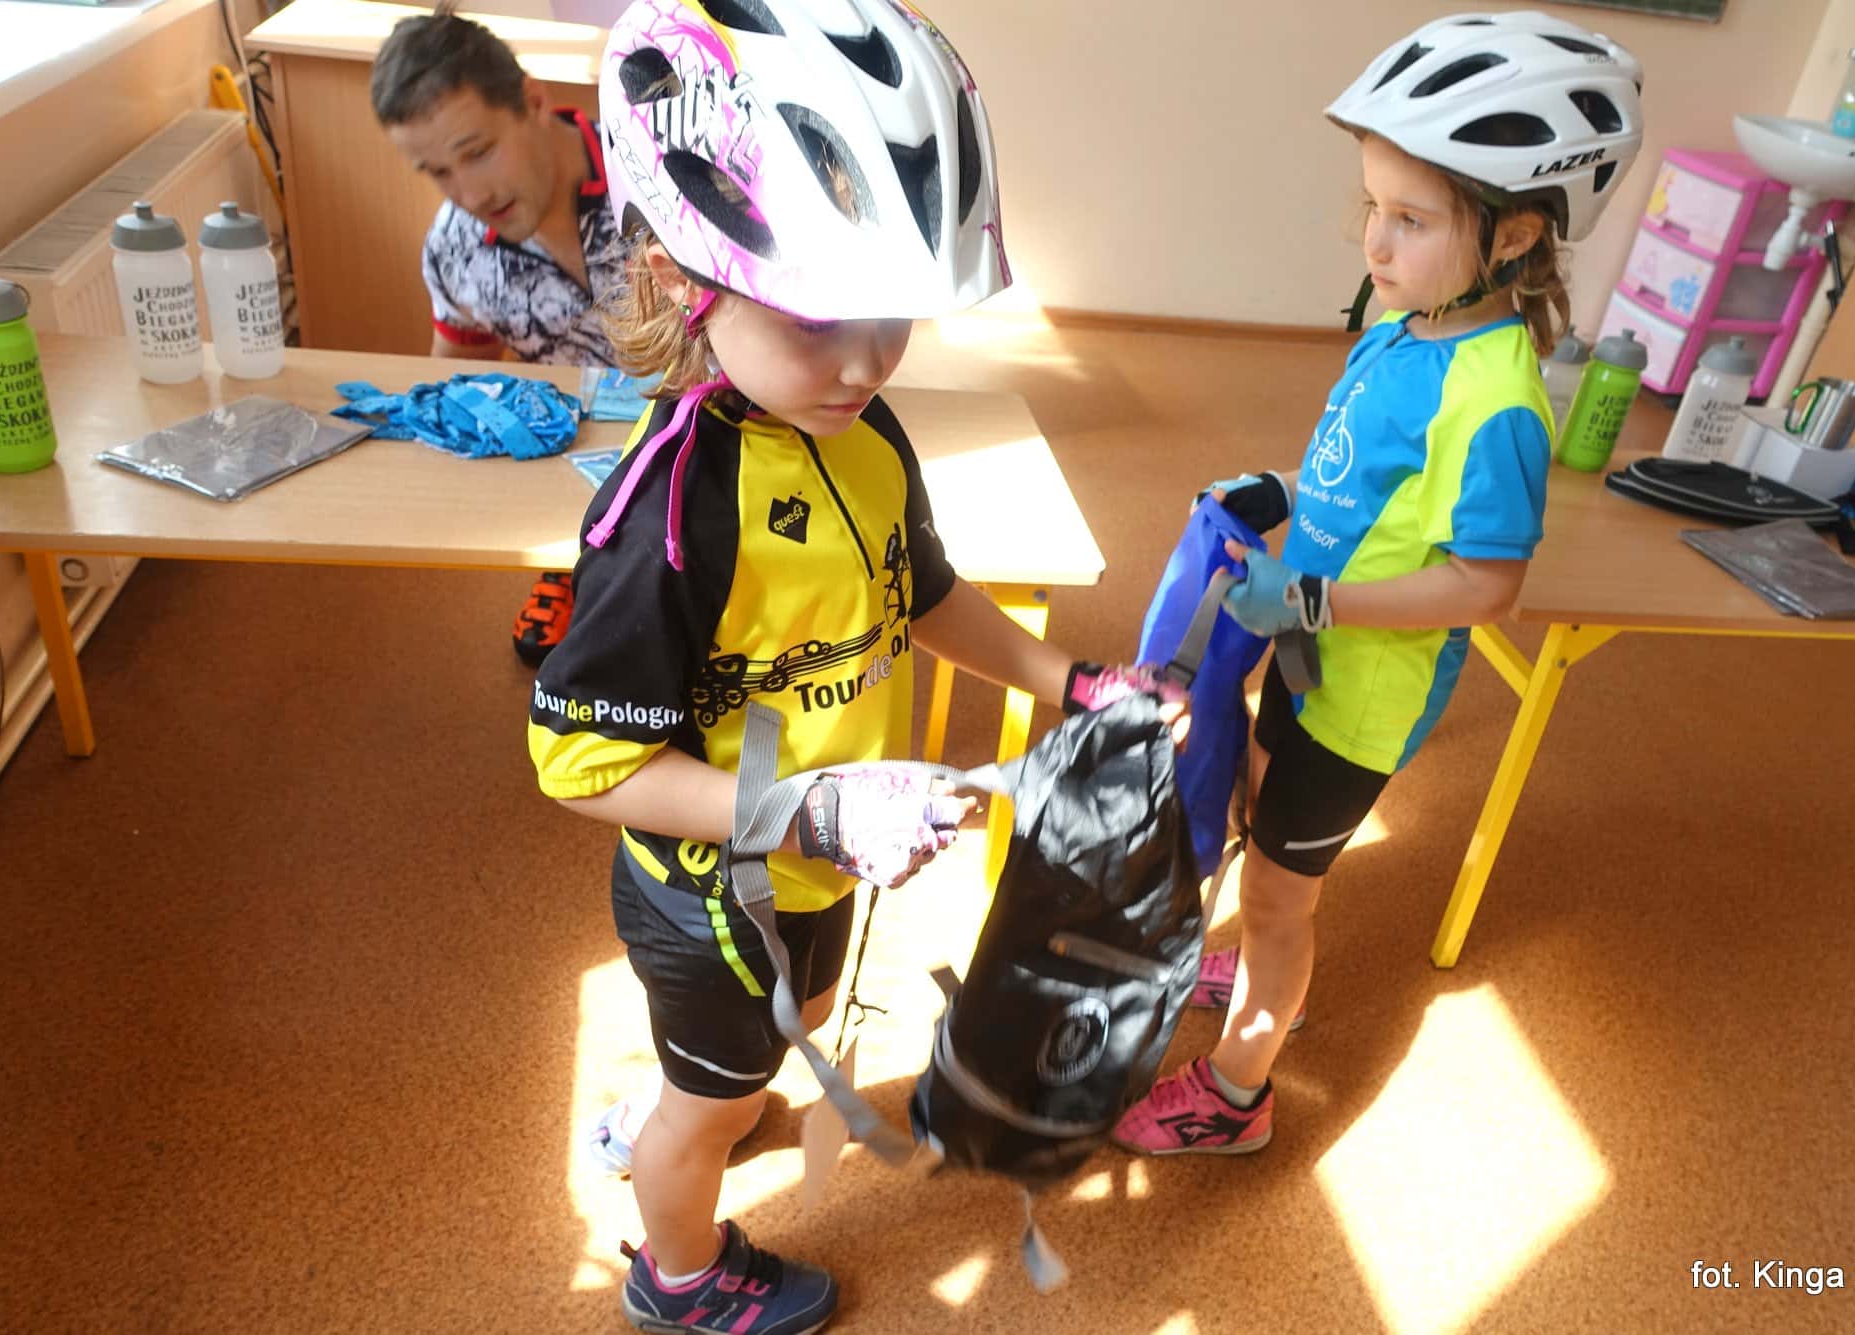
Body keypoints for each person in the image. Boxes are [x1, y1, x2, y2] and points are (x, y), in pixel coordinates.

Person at [528, 3, 1176, 1331]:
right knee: (707, 1103)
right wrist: (813, 809)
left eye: (893, 312)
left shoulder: (862, 432)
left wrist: (1070, 683)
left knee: (794, 1014)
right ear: (682, 279)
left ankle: (708, 1091)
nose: (868, 359)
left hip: (817, 854)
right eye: (821, 314)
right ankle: (676, 1272)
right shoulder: (669, 519)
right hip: (714, 890)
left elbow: (920, 592)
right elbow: (581, 763)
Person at [1113, 10, 1644, 1156]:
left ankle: (1236, 1098)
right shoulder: (1402, 331)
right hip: (1302, 646)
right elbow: (1351, 469)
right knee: (1254, 799)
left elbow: (1483, 588)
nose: (1373, 242)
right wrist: (1278, 493)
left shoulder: (1496, 401)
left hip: (1362, 700)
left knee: (1280, 894)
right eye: (1370, 206)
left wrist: (1314, 601)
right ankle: (1249, 953)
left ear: (1511, 235)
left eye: (1409, 219)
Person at [370, 3, 624, 666]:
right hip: (581, 461)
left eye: (478, 153)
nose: (470, 194)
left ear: (533, 102)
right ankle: (573, 559)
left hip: (715, 444)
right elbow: (459, 381)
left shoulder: (658, 176)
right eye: (438, 172)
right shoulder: (455, 249)